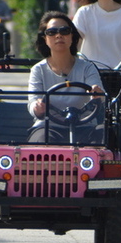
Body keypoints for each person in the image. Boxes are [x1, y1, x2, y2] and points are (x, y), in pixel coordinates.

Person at [27, 11, 104, 144]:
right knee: (40, 142)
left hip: (85, 126)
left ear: (72, 36)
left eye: (64, 31)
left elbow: (99, 94)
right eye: (52, 32)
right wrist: (37, 107)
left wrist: (97, 94)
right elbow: (33, 101)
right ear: (44, 39)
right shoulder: (38, 70)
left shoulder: (87, 67)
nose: (59, 35)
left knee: (105, 136)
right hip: (48, 127)